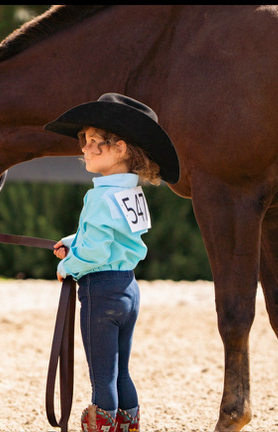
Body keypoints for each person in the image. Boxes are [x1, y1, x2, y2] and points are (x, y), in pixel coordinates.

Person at [44, 93, 180, 432]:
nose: (85, 149)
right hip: (128, 289)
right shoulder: (130, 193)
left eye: (94, 143)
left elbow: (94, 252)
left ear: (119, 149)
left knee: (102, 376)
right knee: (122, 371)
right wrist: (73, 242)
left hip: (100, 292)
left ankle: (102, 426)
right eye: (85, 142)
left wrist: (68, 266)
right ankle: (128, 425)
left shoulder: (99, 195)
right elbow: (115, 238)